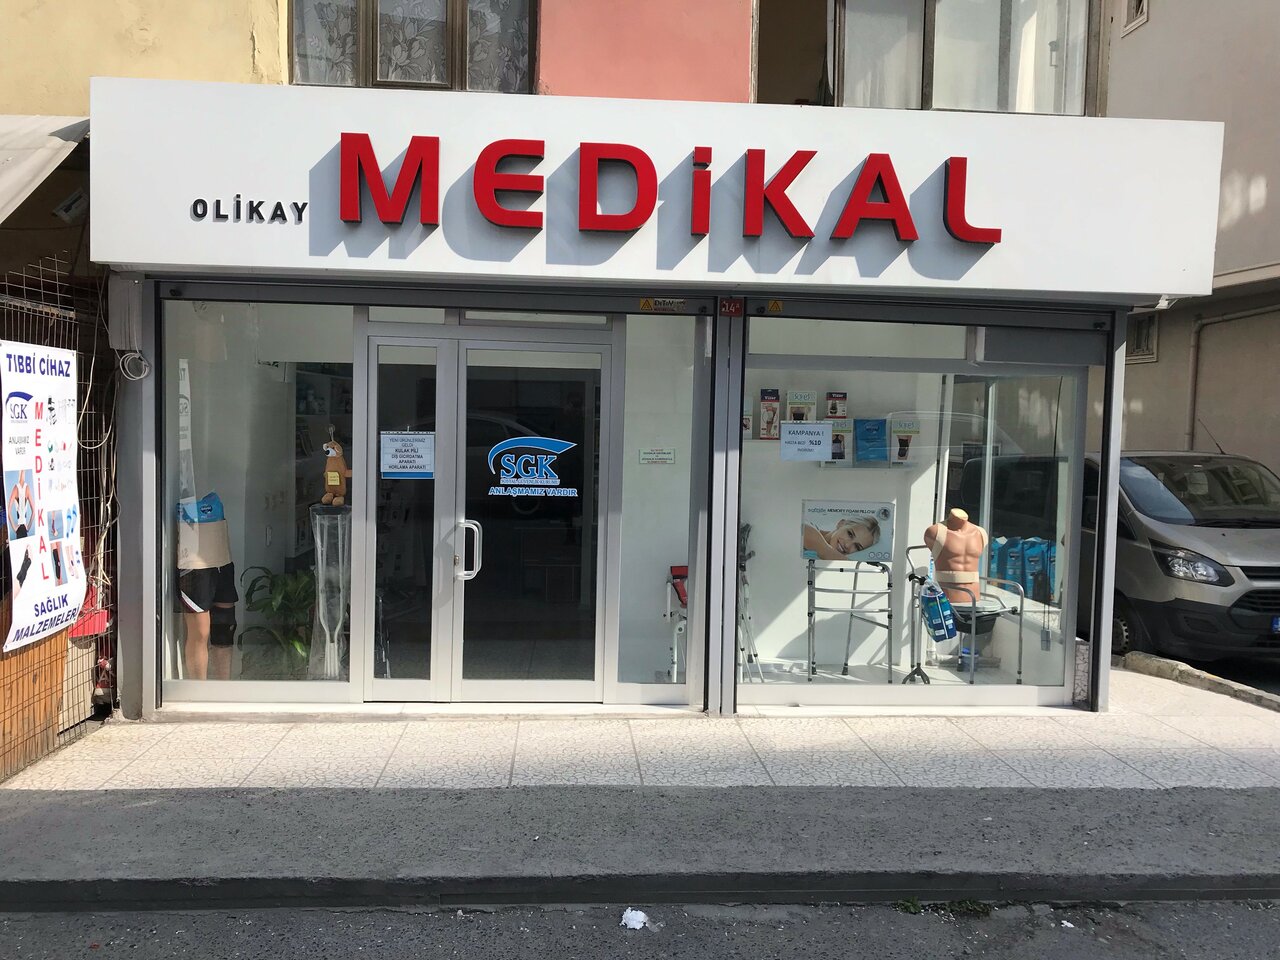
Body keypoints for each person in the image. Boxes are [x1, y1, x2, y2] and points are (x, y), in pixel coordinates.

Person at [803, 515, 880, 560]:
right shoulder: (808, 528)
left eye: (857, 547)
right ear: (841, 524)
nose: (847, 545)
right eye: (850, 534)